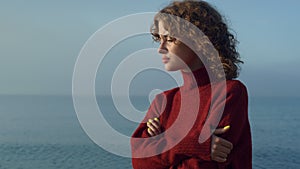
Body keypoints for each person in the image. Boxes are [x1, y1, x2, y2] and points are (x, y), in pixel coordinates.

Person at [131, 0, 252, 168]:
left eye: (169, 39)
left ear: (197, 40)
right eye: (159, 39)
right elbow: (138, 159)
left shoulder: (229, 92)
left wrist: (162, 143)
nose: (160, 48)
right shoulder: (163, 101)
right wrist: (194, 144)